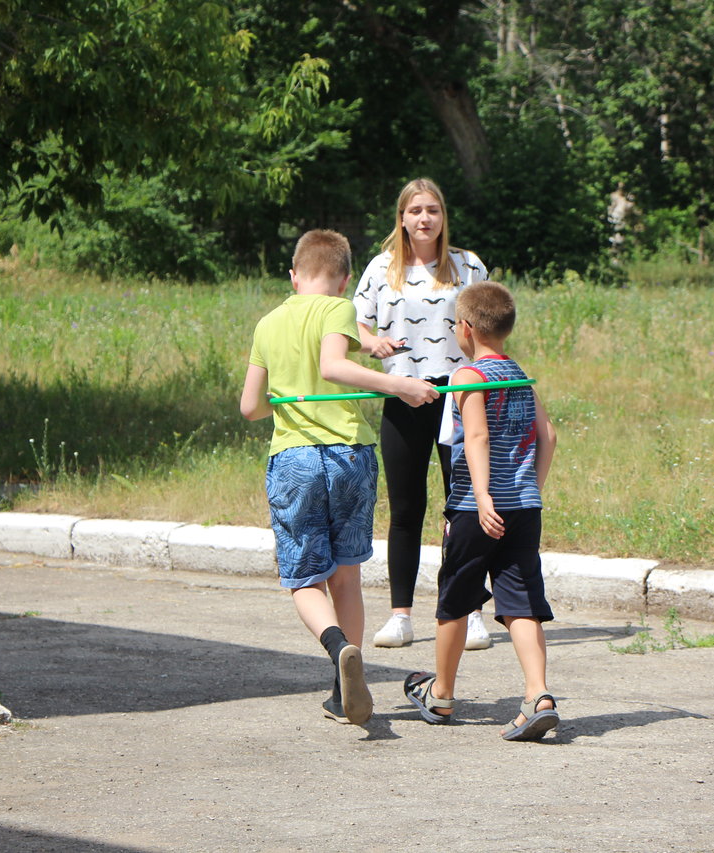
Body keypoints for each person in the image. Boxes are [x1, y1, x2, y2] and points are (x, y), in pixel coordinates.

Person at [240, 229, 438, 725]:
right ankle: (344, 682)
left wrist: (286, 396)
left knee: (305, 579)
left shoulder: (268, 323)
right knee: (346, 576)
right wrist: (398, 385)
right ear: (346, 279)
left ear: (293, 275)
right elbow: (332, 366)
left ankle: (336, 648)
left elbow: (250, 407)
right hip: (350, 455)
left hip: (295, 460)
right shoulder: (339, 307)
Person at [402, 281, 560, 741]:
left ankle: (441, 694)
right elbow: (549, 436)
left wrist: (485, 496)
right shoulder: (519, 374)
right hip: (523, 507)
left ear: (465, 328)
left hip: (476, 509)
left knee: (455, 598)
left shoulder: (467, 376)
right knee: (521, 603)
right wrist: (528, 488)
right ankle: (538, 695)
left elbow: (476, 436)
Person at [353, 178, 493, 651]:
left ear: (443, 216)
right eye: (415, 211)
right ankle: (401, 616)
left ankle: (470, 612)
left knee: (465, 506)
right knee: (406, 508)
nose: (424, 218)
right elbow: (355, 324)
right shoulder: (380, 268)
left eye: (432, 210)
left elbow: (490, 325)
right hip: (403, 393)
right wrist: (373, 343)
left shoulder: (468, 265)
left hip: (460, 395)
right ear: (402, 218)